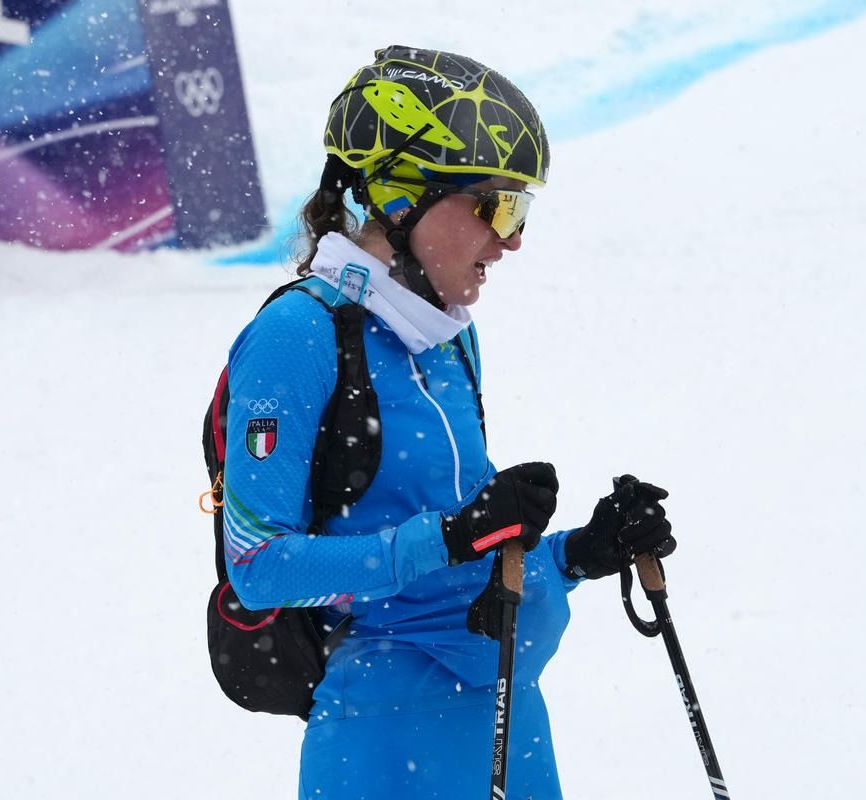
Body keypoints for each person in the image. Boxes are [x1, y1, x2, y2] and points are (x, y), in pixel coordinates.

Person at [221, 45, 676, 799]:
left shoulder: (447, 334)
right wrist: (452, 537)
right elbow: (258, 566)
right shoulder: (297, 336)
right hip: (381, 735)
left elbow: (459, 562)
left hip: (505, 718)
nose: (513, 238)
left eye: (519, 210)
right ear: (403, 199)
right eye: (496, 206)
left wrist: (579, 554)